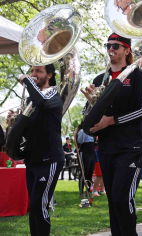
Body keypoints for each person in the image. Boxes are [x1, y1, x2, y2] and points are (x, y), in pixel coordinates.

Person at [81, 33, 142, 236]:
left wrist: (111, 120)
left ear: (127, 50)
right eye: (108, 45)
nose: (110, 49)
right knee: (113, 200)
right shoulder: (100, 79)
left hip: (131, 147)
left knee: (122, 198)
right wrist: (91, 106)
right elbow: (88, 116)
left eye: (116, 46)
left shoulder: (138, 75)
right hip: (106, 148)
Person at [8, 64, 64, 236]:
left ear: (49, 75)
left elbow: (41, 103)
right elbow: (29, 130)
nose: (33, 74)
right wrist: (16, 122)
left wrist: (26, 81)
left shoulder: (54, 94)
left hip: (50, 159)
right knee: (34, 206)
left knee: (40, 204)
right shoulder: (30, 100)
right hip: (33, 159)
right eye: (31, 71)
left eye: (38, 71)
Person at [76, 124, 96, 197]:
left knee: (90, 173)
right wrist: (84, 132)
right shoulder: (82, 131)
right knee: (84, 173)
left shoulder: (93, 132)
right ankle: (81, 193)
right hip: (84, 153)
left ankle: (88, 191)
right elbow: (80, 141)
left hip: (92, 153)